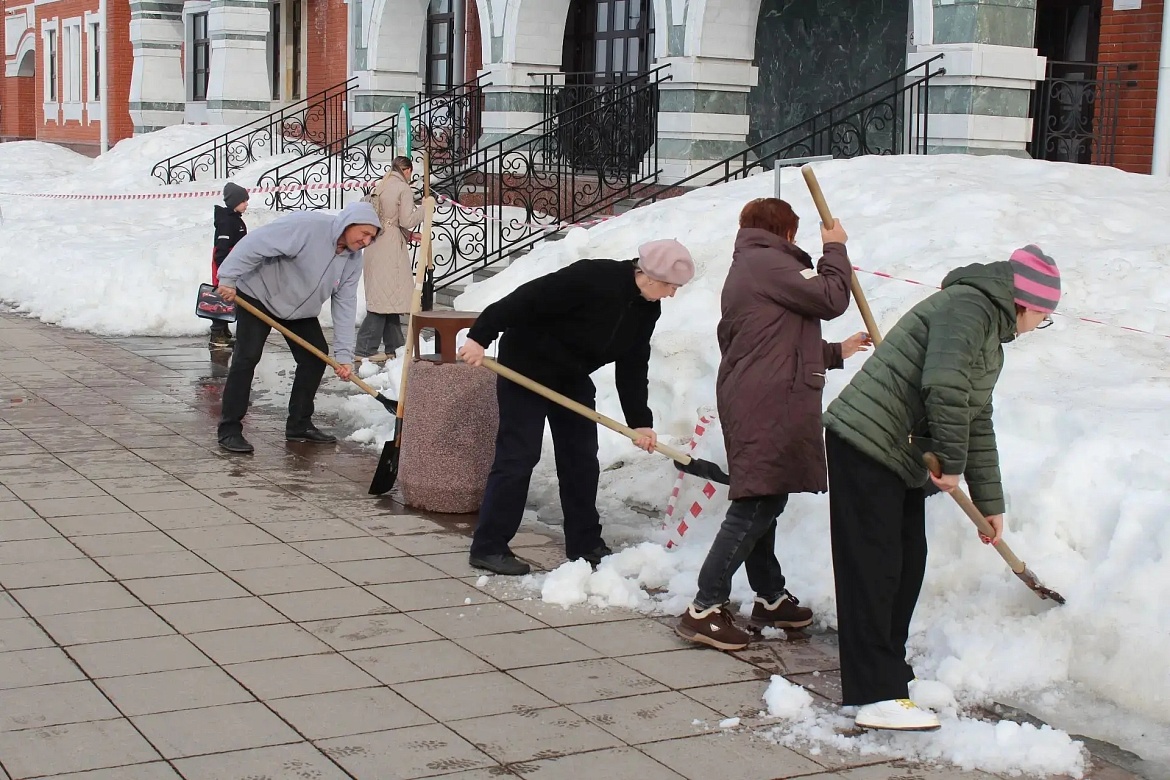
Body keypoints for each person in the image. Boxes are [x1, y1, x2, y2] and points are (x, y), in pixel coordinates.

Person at [822, 245, 1061, 732]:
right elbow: (945, 386)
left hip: (898, 455)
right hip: (867, 441)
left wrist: (990, 504)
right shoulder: (969, 308)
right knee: (874, 570)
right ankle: (872, 694)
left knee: (905, 568)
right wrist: (951, 461)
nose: (1040, 326)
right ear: (1029, 304)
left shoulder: (988, 331)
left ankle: (891, 681)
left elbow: (977, 416)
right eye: (1046, 317)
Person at [675, 198, 871, 652]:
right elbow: (830, 297)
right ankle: (704, 608)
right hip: (765, 400)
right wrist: (834, 249)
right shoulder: (768, 263)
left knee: (766, 496)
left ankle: (770, 597)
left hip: (763, 393)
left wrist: (836, 353)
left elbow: (774, 342)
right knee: (758, 502)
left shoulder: (756, 266)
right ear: (785, 232)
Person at [457, 240, 696, 576]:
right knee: (519, 454)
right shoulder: (592, 277)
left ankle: (585, 544)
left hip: (571, 376)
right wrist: (479, 336)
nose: (672, 294)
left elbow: (633, 363)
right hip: (527, 366)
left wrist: (640, 420)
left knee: (581, 458)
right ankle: (489, 546)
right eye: (671, 286)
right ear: (651, 275)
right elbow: (524, 300)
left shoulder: (647, 309)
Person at [214, 201, 382, 454]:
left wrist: (345, 356)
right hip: (260, 295)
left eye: (372, 237)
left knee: (315, 358)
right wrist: (227, 277)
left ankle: (299, 424)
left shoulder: (352, 259)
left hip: (299, 310)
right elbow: (255, 243)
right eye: (364, 233)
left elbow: (345, 304)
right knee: (247, 356)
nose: (366, 241)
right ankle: (229, 429)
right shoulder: (308, 228)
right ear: (349, 223)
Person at [356, 156, 424, 364]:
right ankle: (365, 349)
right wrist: (425, 209)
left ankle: (396, 346)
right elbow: (406, 220)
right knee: (383, 300)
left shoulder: (381, 183)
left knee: (389, 296)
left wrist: (409, 235)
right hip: (391, 248)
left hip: (375, 242)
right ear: (407, 170)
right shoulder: (403, 189)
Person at [209, 182, 250, 346]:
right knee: (223, 296)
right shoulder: (227, 222)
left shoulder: (235, 220)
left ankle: (223, 330)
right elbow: (222, 249)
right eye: (243, 201)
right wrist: (224, 269)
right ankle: (217, 333)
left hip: (234, 263)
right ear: (234, 202)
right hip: (225, 264)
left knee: (231, 296)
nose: (246, 204)